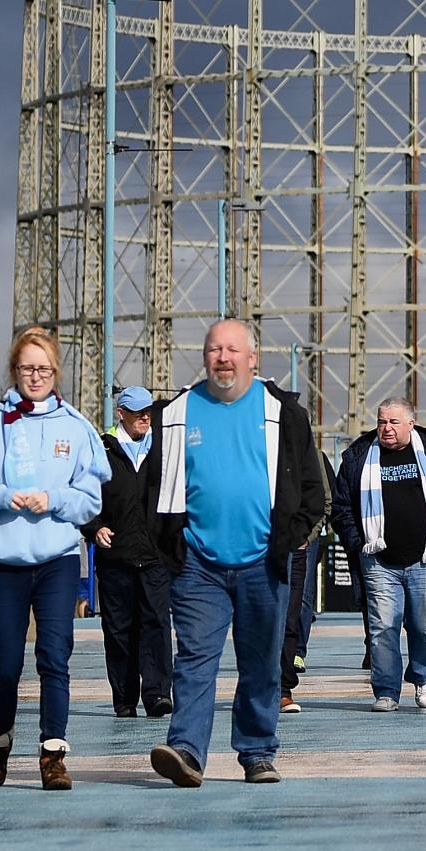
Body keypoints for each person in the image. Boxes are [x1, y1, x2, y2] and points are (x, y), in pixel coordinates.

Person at [149, 320, 330, 785]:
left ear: (253, 358)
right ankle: (186, 750)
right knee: (194, 659)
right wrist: (170, 545)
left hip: (262, 562)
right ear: (204, 357)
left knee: (262, 663)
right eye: (214, 349)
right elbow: (154, 487)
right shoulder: (176, 413)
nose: (223, 358)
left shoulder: (282, 413)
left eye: (233, 349)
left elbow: (311, 486)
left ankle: (256, 752)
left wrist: (292, 535)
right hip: (197, 564)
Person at [0, 329, 105, 788]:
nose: (35, 376)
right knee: (6, 663)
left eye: (44, 369)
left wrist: (52, 498)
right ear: (13, 372)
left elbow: (89, 500)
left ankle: (53, 753)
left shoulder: (75, 429)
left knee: (55, 656)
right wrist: (1, 496)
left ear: (56, 373)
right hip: (3, 563)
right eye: (27, 368)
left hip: (55, 560)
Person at [334, 397, 426, 713]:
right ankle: (386, 691)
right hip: (378, 559)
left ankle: (422, 678)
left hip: (425, 558)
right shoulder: (358, 457)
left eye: (394, 422)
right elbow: (341, 506)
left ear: (411, 423)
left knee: (423, 627)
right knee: (383, 627)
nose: (387, 428)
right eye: (382, 422)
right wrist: (358, 543)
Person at [88, 389, 173, 719]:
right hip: (115, 557)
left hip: (155, 556)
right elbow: (83, 494)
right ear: (120, 412)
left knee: (155, 624)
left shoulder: (162, 449)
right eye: (137, 412)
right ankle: (124, 698)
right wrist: (94, 526)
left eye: (148, 411)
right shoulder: (102, 450)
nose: (145, 417)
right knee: (119, 630)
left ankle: (156, 694)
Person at [281, 447, 341, 711]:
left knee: (295, 608)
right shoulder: (250, 442)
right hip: (257, 543)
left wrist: (309, 535)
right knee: (260, 616)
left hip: (297, 543)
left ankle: (285, 681)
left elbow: (324, 499)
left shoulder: (311, 455)